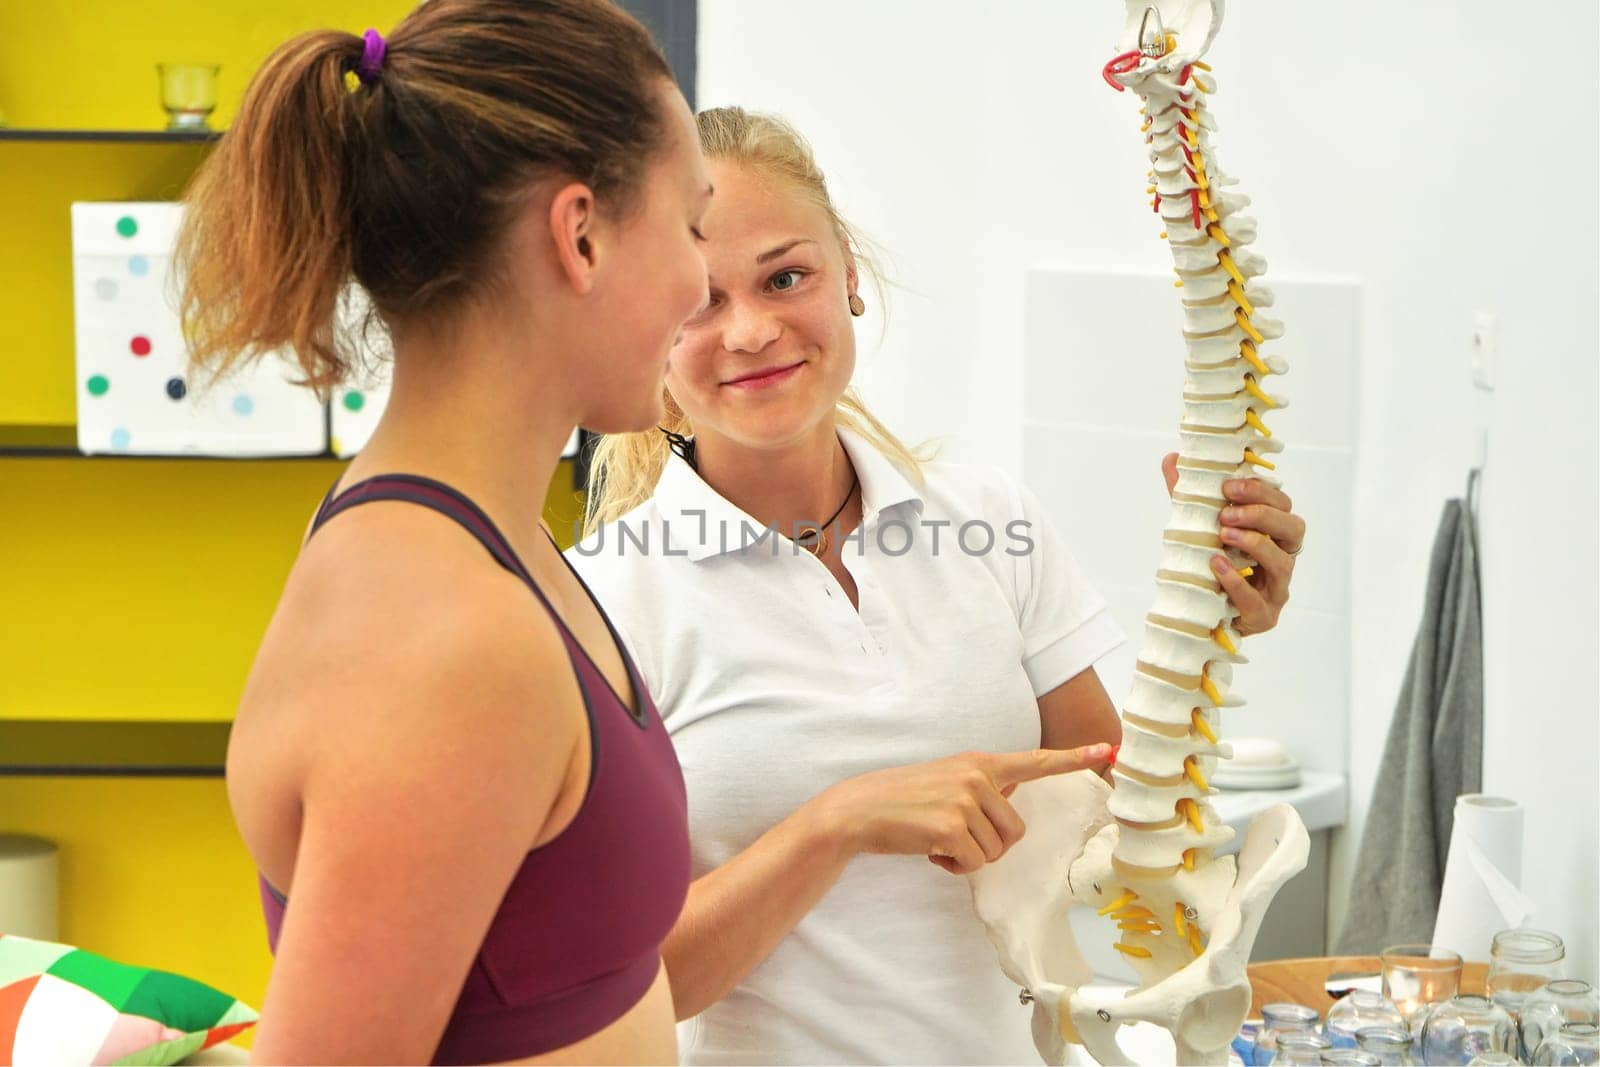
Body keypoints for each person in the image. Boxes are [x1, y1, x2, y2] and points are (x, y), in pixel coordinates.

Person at [570, 106, 1308, 1065]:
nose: (750, 330)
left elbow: (1120, 822)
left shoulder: (989, 523)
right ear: (648, 325)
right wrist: (836, 824)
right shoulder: (601, 601)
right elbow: (620, 988)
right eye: (700, 300)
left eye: (787, 277)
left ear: (852, 283)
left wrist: (1211, 619)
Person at [176, 2, 714, 1062]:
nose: (702, 284)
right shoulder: (444, 634)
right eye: (691, 225)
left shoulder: (489, 550)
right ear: (582, 233)